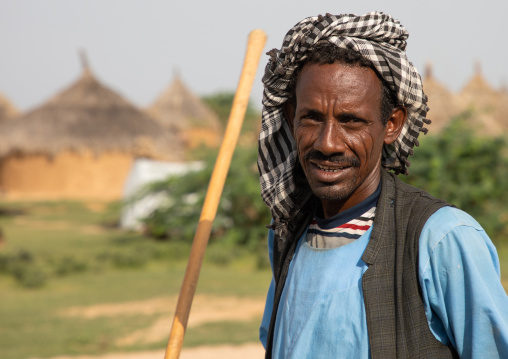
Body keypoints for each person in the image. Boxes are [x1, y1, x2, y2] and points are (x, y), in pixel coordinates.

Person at [257, 12, 508, 358]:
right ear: (290, 117)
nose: (327, 143)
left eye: (351, 121)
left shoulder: (442, 241)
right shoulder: (287, 235)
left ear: (392, 124)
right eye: (311, 118)